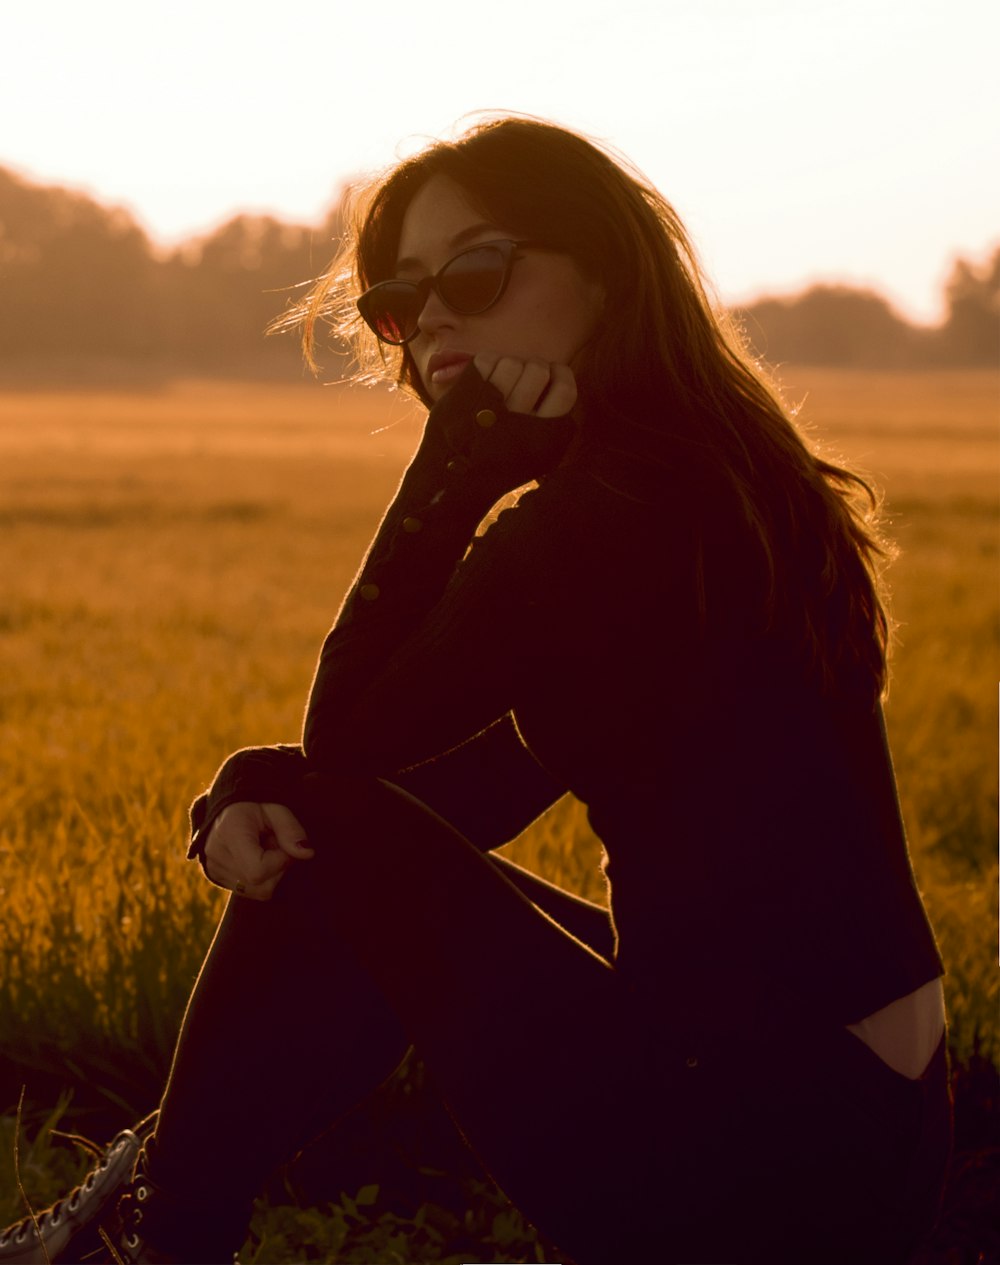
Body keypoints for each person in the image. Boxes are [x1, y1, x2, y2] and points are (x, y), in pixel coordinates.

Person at [1, 115, 951, 1265]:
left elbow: (349, 745)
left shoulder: (619, 510)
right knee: (334, 837)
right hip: (852, 1133)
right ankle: (163, 1199)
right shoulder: (703, 472)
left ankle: (163, 1229)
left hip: (755, 1152)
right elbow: (446, 796)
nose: (435, 316)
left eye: (476, 271)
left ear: (601, 273)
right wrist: (266, 784)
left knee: (333, 828)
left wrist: (456, 464)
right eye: (400, 303)